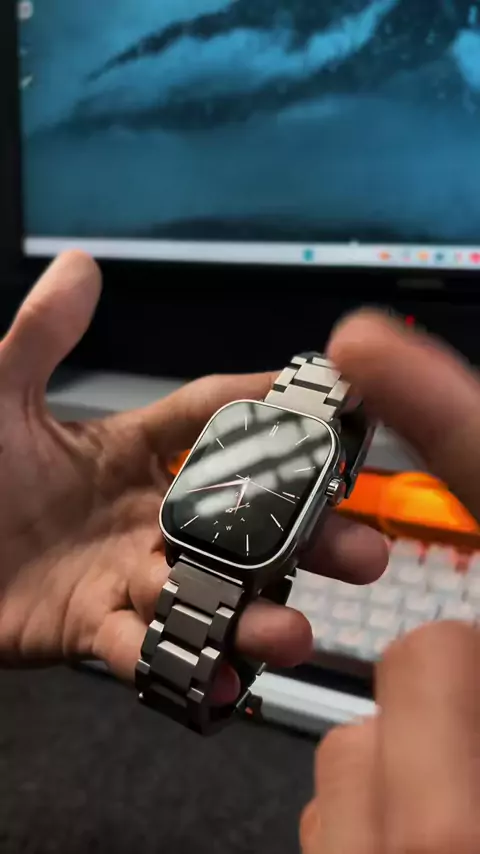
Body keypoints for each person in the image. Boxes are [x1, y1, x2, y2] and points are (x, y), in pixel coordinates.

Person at [0, 251, 478, 851]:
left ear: (332, 485)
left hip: (227, 549)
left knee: (256, 629)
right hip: (203, 542)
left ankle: (199, 690)